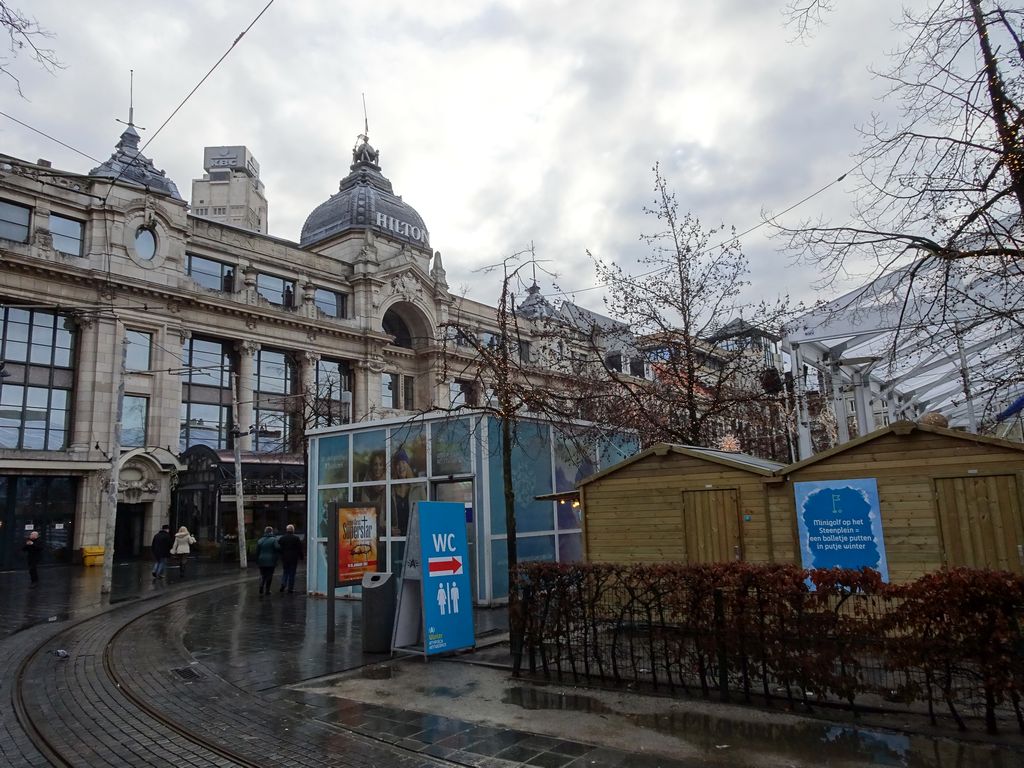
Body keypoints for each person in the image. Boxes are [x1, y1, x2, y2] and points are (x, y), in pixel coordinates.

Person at [391, 448, 426, 535]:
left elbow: (425, 514)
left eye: (403, 462)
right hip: (395, 540)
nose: (401, 466)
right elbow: (382, 517)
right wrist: (390, 529)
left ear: (408, 465)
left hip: (414, 537)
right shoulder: (390, 490)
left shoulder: (418, 488)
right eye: (398, 464)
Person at [276, 524, 304, 594]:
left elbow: (279, 548)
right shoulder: (296, 538)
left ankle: (283, 583)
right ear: (293, 530)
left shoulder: (282, 538)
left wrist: (281, 554)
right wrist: (301, 556)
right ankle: (290, 588)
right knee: (292, 573)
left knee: (285, 572)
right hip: (293, 558)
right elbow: (299, 548)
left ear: (286, 530)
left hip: (285, 558)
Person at [255, 526, 279, 595]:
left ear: (265, 532)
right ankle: (267, 590)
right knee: (269, 575)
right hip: (271, 560)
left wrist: (257, 560)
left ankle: (261, 585)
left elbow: (257, 552)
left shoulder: (260, 540)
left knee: (262, 574)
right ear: (271, 531)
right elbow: (277, 548)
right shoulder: (274, 539)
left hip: (261, 560)